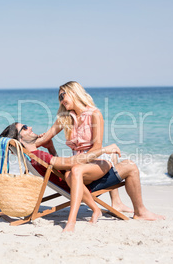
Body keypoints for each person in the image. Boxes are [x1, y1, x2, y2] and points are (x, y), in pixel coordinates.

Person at [0, 123, 165, 232]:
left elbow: (55, 169)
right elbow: (71, 162)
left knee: (111, 160)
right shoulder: (38, 155)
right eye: (25, 128)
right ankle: (140, 211)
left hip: (75, 182)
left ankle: (118, 203)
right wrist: (103, 150)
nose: (30, 128)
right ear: (20, 139)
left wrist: (50, 147)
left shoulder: (33, 156)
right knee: (130, 166)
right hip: (83, 186)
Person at [36, 81, 132, 212]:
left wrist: (80, 161)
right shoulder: (65, 118)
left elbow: (97, 147)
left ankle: (116, 202)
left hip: (94, 159)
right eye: (59, 98)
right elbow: (46, 137)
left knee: (78, 169)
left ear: (74, 92)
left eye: (62, 96)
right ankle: (115, 202)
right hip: (78, 161)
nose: (61, 101)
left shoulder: (94, 114)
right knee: (72, 172)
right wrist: (23, 143)